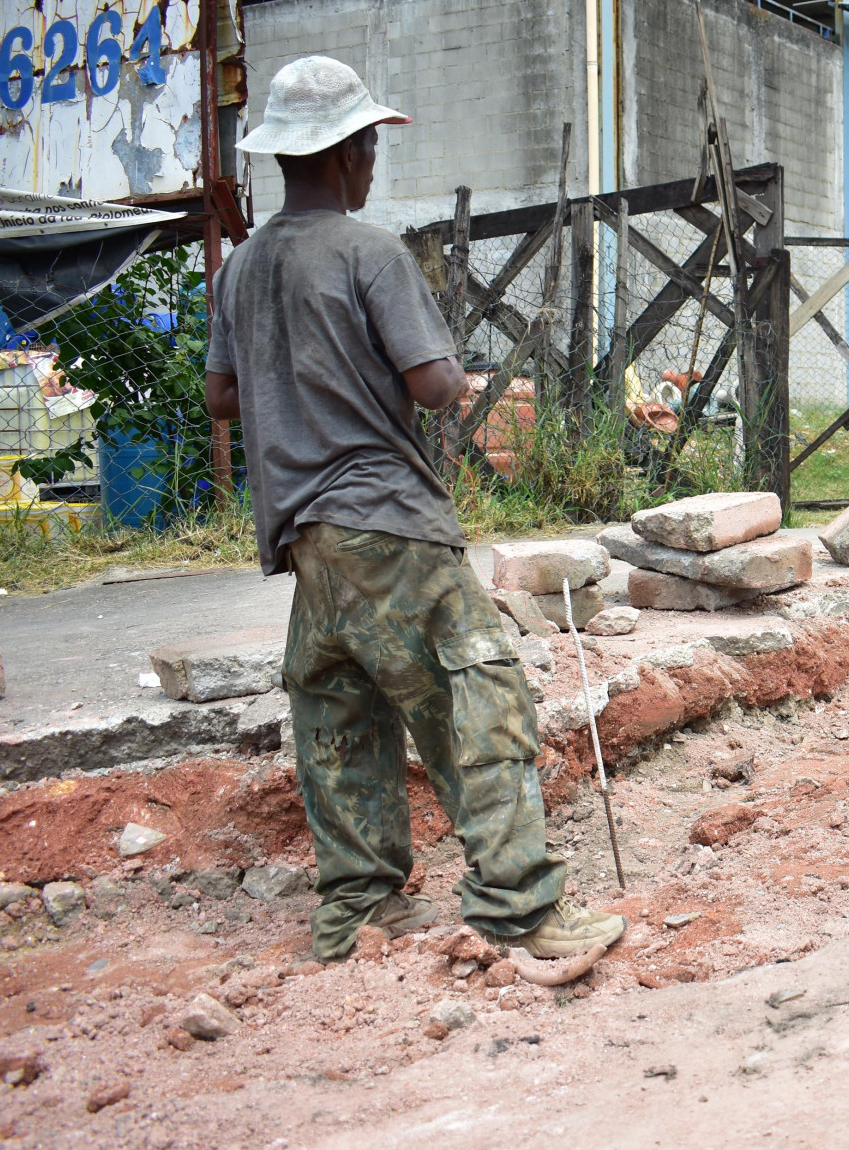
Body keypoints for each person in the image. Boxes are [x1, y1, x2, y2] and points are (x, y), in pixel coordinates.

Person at [205, 56, 626, 964]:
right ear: (354, 151)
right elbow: (434, 386)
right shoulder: (369, 251)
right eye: (370, 148)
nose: (372, 164)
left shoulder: (241, 269)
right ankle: (521, 907)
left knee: (343, 716)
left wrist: (300, 375)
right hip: (389, 522)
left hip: (304, 536)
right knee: (481, 697)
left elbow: (221, 399)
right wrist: (431, 365)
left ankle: (359, 909)